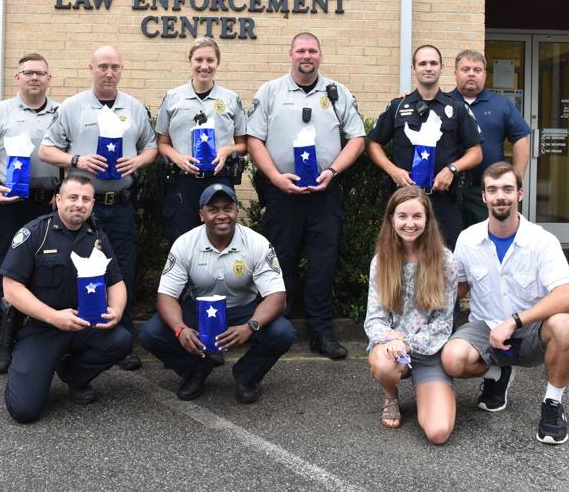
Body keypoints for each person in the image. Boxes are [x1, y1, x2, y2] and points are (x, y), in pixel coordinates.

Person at [440, 161, 569, 445]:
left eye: (507, 188)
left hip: (529, 331)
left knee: (565, 325)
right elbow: (459, 287)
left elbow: (566, 296)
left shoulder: (543, 241)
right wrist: (417, 313)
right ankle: (496, 373)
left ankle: (553, 404)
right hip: (484, 328)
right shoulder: (468, 239)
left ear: (520, 194)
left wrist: (514, 321)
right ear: (484, 197)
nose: (500, 196)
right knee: (451, 359)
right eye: (492, 190)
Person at [247, 32, 365, 360]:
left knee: (322, 263)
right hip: (282, 192)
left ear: (320, 55)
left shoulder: (337, 92)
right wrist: (274, 177)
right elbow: (254, 139)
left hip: (325, 193)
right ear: (290, 55)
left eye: (312, 50)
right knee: (279, 260)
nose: (306, 55)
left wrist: (334, 171)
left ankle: (321, 333)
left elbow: (357, 138)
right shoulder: (270, 91)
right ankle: (276, 327)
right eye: (301, 50)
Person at [39, 45, 157, 371]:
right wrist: (76, 159)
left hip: (119, 207)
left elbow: (152, 147)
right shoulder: (73, 107)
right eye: (103, 66)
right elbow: (47, 150)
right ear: (90, 68)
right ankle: (76, 341)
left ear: (122, 70)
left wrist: (138, 161)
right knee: (71, 273)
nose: (109, 72)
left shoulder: (133, 107)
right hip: (81, 209)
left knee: (122, 275)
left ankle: (122, 342)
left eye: (115, 67)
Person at [139, 184, 294, 404]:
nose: (222, 216)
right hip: (199, 310)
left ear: (236, 211)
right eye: (213, 210)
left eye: (228, 208)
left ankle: (247, 375)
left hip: (243, 310)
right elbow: (165, 296)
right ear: (201, 214)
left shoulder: (257, 243)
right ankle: (196, 370)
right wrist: (180, 329)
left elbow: (277, 297)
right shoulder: (184, 243)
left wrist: (251, 326)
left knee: (283, 333)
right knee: (151, 333)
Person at [0, 175, 131, 424]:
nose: (79, 204)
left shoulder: (97, 238)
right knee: (24, 411)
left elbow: (116, 282)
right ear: (58, 200)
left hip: (85, 325)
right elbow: (11, 288)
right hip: (43, 328)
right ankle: (36, 367)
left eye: (85, 199)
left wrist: (117, 310)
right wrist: (54, 317)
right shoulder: (35, 233)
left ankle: (74, 374)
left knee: (121, 339)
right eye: (72, 197)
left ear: (92, 204)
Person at [0, 53, 61, 374]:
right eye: (28, 73)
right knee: (5, 274)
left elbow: (70, 156)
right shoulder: (0, 113)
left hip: (49, 206)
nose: (34, 78)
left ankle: (36, 342)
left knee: (48, 274)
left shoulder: (61, 113)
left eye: (40, 73)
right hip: (8, 204)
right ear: (17, 78)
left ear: (49, 79)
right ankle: (1, 345)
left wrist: (63, 193)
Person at [365, 186, 457, 444]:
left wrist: (409, 343)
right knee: (383, 364)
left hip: (429, 351)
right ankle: (390, 394)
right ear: (391, 219)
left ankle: (428, 389)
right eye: (402, 216)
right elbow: (374, 318)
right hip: (392, 350)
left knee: (438, 433)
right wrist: (391, 338)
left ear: (427, 220)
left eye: (417, 216)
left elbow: (443, 323)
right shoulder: (380, 261)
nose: (409, 223)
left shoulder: (445, 261)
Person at [367, 44, 482, 251]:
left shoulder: (456, 108)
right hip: (405, 201)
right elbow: (374, 144)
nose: (428, 67)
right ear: (413, 69)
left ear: (442, 68)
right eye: (422, 63)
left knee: (447, 260)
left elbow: (476, 152)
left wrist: (451, 169)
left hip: (443, 200)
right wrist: (392, 170)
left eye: (433, 63)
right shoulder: (397, 106)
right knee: (399, 259)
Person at [155, 38, 247, 243]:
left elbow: (243, 144)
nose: (204, 66)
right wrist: (177, 158)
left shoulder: (231, 99)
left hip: (219, 179)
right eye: (198, 59)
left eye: (210, 60)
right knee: (181, 241)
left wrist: (227, 150)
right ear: (190, 61)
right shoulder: (173, 97)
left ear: (217, 63)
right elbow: (162, 143)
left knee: (220, 240)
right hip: (183, 182)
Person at [448, 50, 530, 227]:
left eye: (477, 70)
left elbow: (520, 139)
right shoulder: (444, 103)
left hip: (487, 190)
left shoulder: (500, 104)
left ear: (485, 74)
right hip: (448, 189)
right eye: (466, 69)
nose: (471, 73)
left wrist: (517, 179)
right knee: (449, 240)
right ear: (455, 73)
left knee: (488, 239)